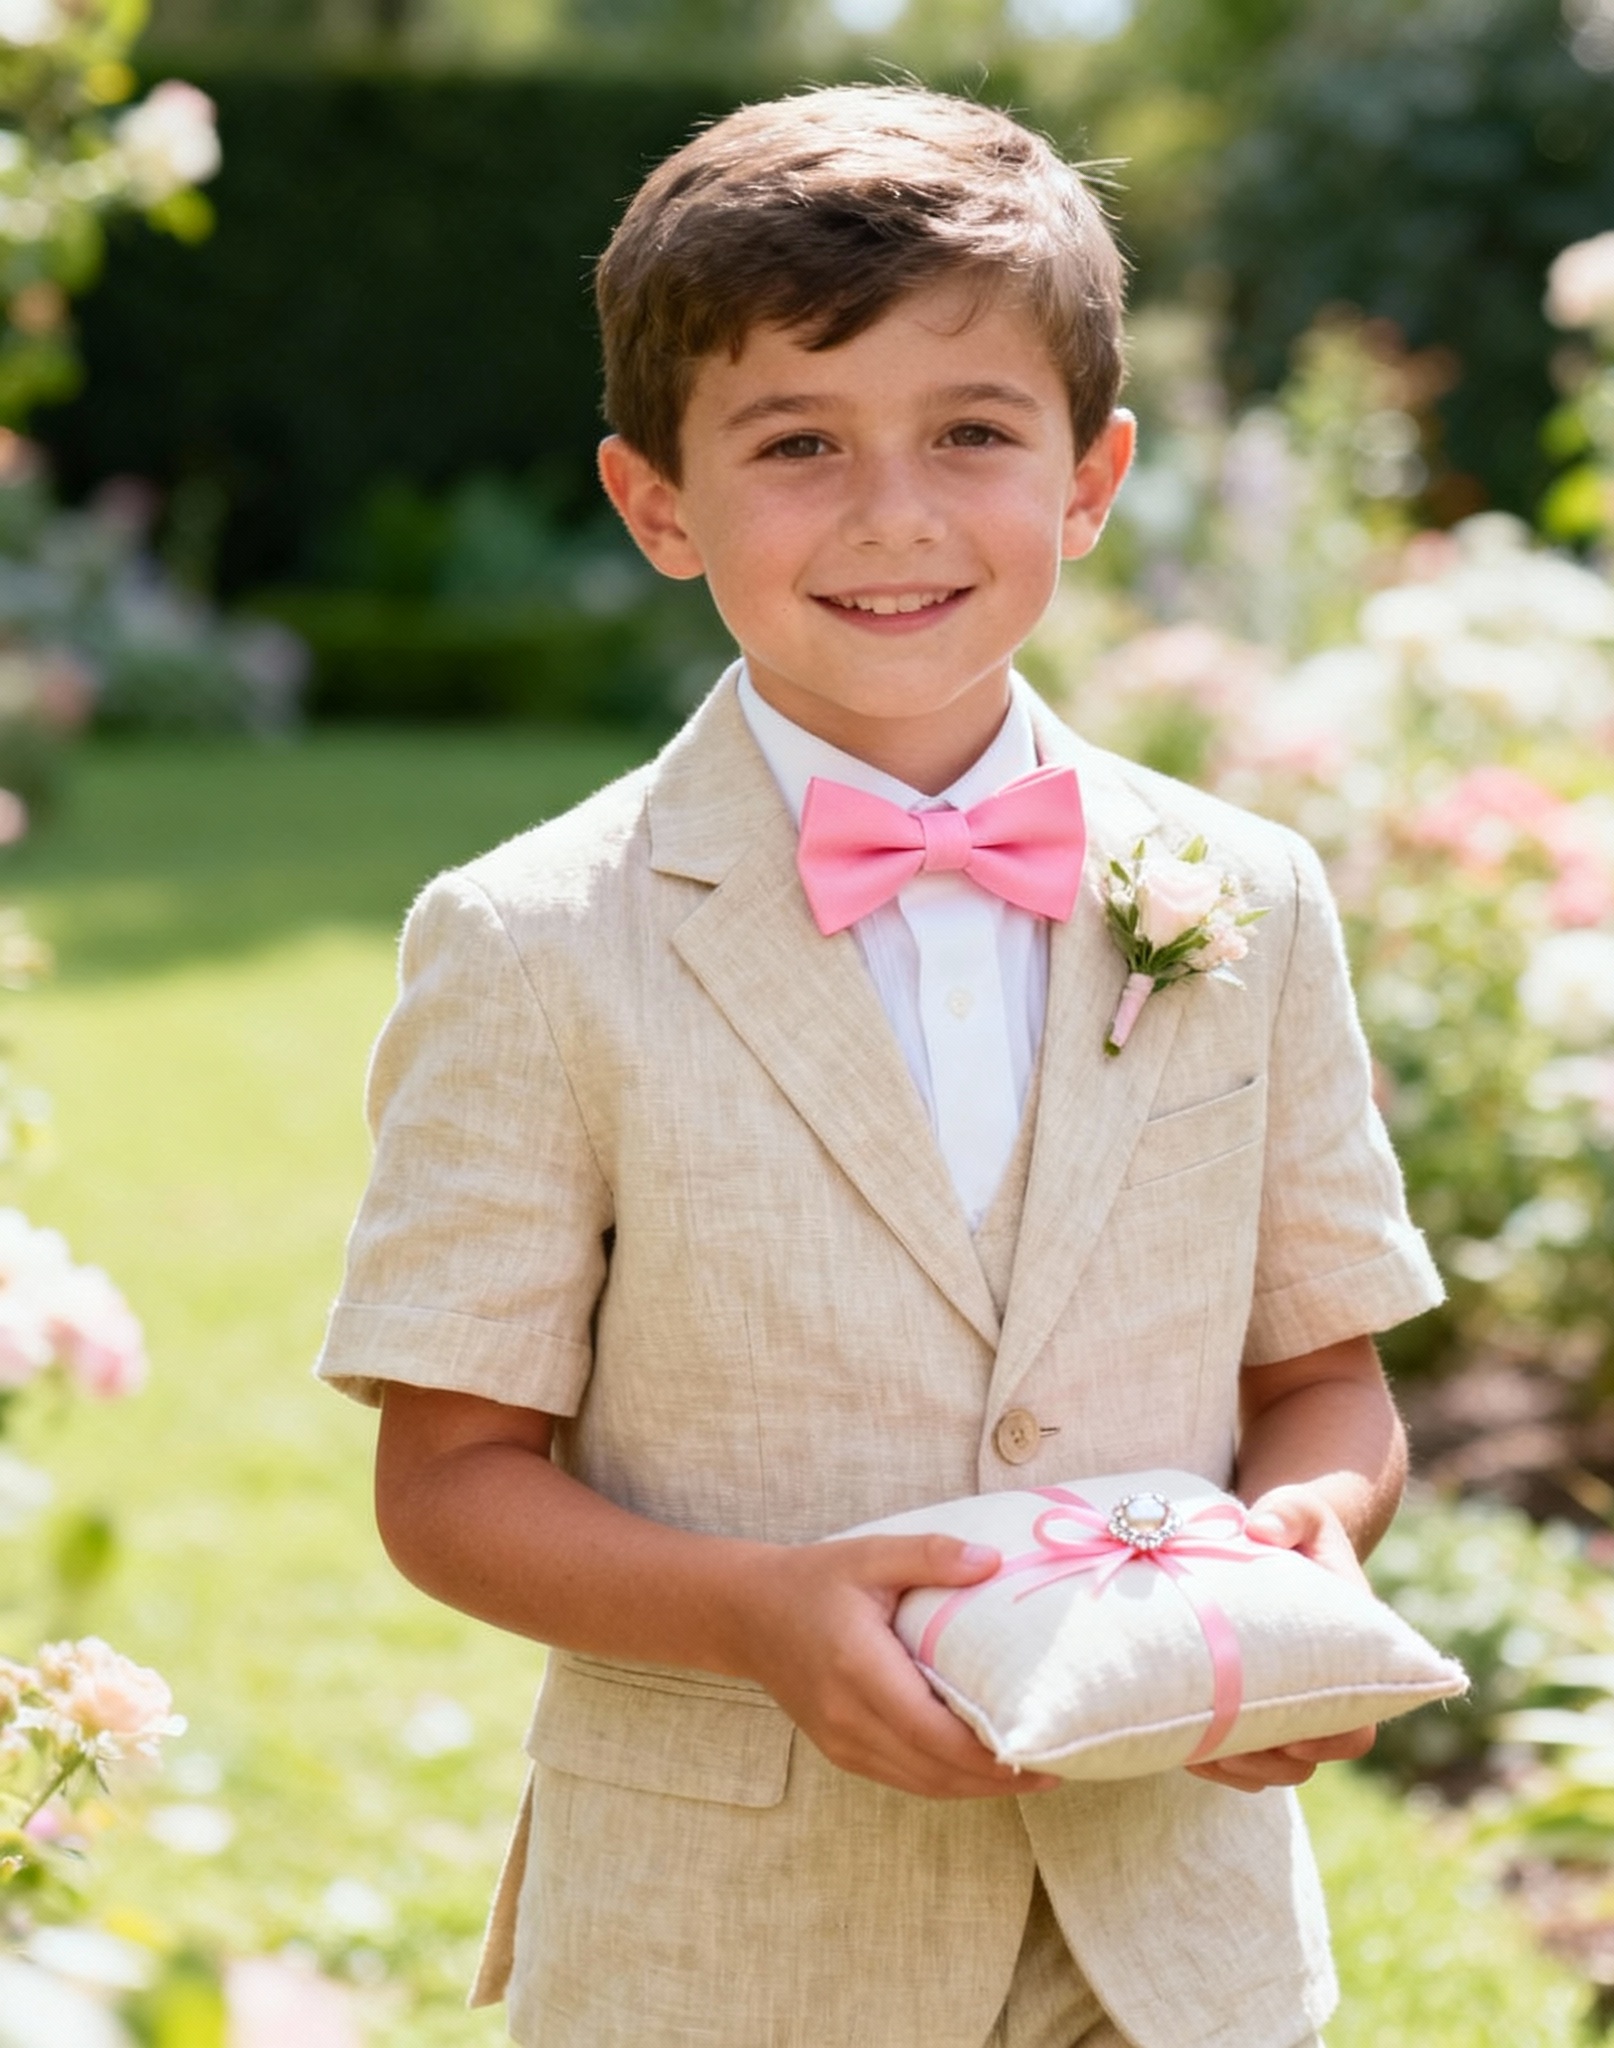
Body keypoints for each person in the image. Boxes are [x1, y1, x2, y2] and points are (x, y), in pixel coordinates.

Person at [316, 82, 1444, 2048]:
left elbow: (1322, 1376)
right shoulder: (529, 941)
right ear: (656, 500)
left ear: (1090, 482)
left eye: (973, 435)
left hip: (1162, 1926)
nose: (897, 512)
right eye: (798, 444)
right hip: (730, 1945)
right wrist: (757, 1616)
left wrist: (1298, 1562)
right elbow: (450, 1481)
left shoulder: (1242, 891)